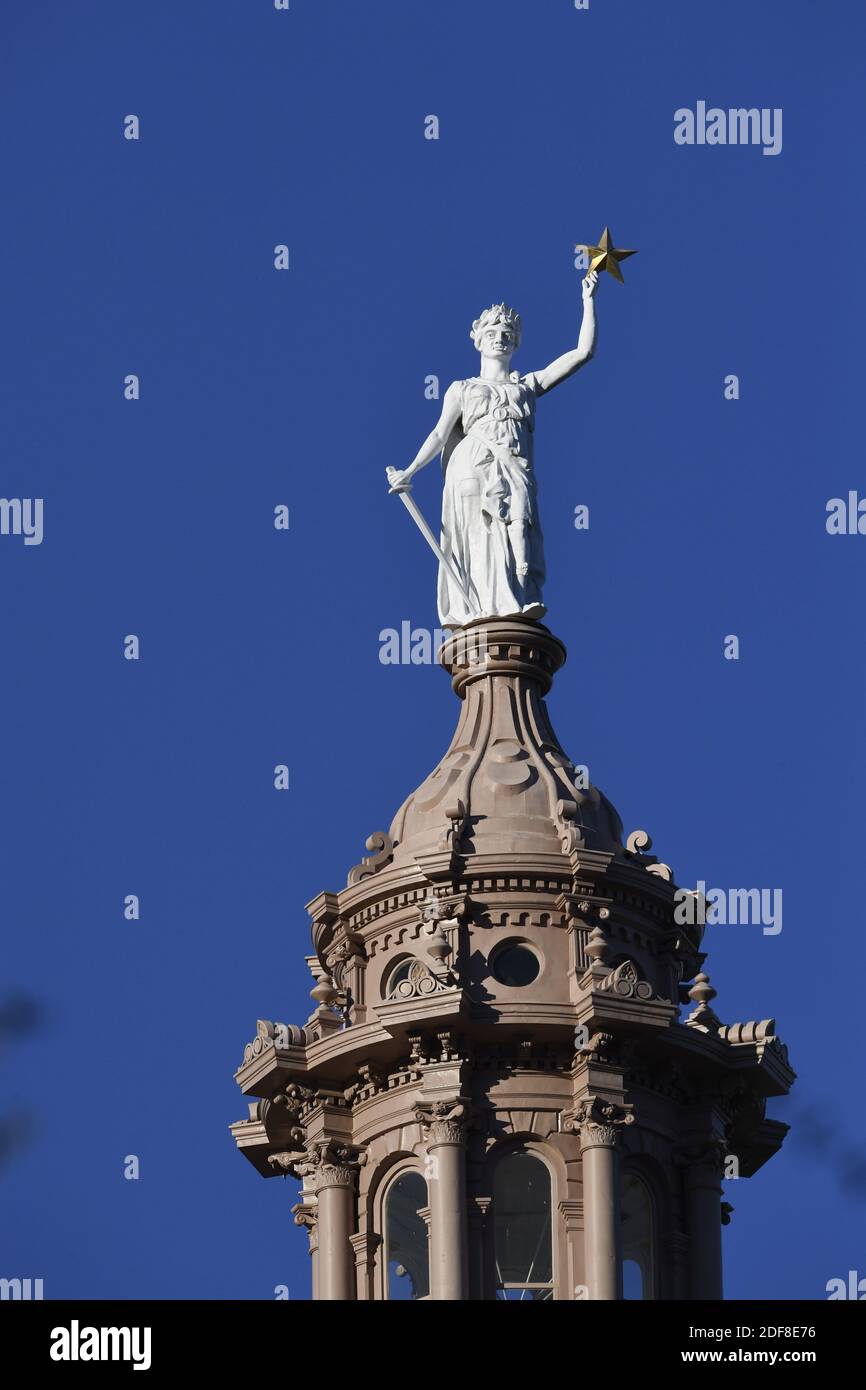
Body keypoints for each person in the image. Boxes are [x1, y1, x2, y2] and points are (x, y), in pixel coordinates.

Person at [387, 272, 599, 628]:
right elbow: (440, 434)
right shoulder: (462, 388)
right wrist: (410, 471)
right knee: (480, 532)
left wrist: (588, 302)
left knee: (519, 528)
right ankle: (489, 605)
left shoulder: (526, 384)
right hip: (472, 464)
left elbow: (582, 353)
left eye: (506, 335)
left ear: (516, 343)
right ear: (478, 341)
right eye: (491, 334)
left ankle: (517, 595)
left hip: (515, 467)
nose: (499, 339)